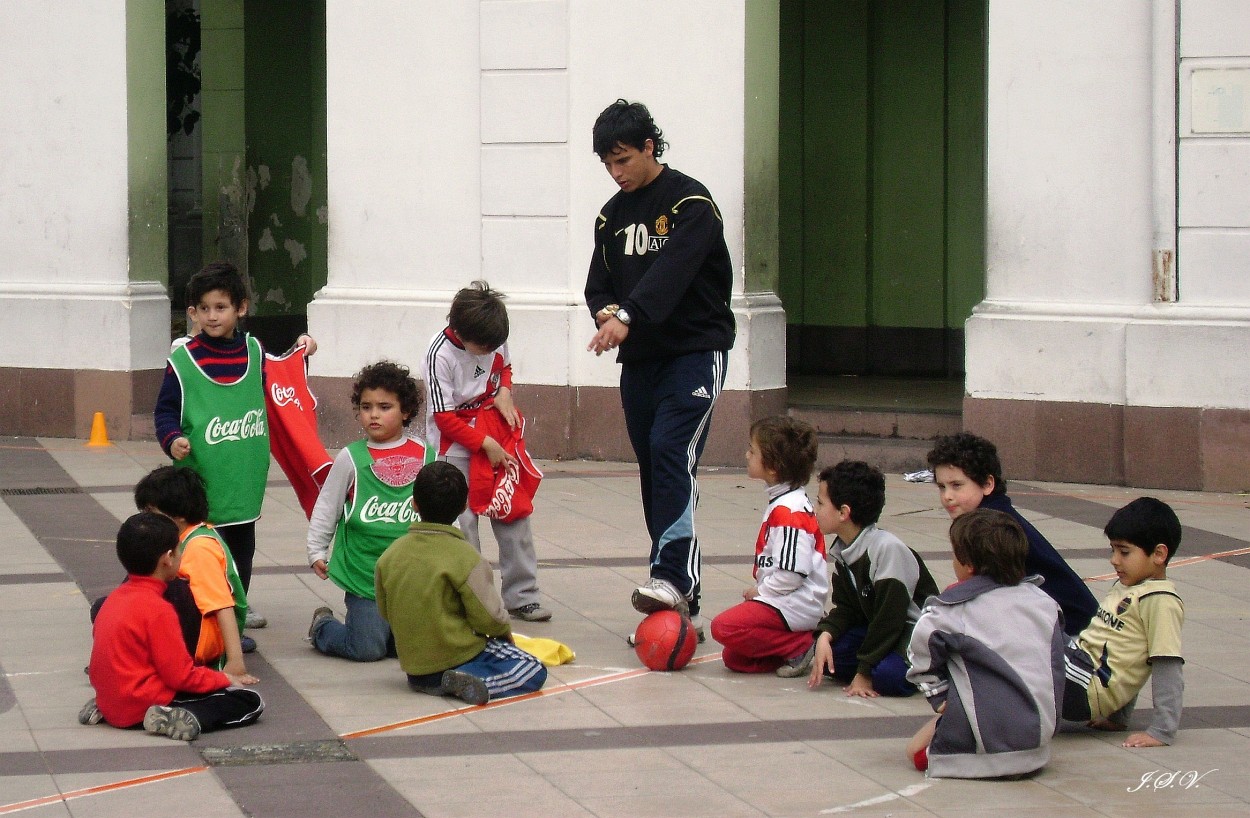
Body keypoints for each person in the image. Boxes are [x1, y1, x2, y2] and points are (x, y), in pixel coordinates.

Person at [583, 99, 735, 639]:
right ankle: (674, 590)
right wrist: (604, 309)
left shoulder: (692, 203)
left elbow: (670, 274)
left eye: (623, 159)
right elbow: (598, 283)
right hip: (641, 362)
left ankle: (673, 575)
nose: (616, 172)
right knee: (654, 464)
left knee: (674, 450)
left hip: (694, 352)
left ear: (650, 146)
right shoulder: (610, 215)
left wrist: (627, 314)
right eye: (607, 163)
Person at [154, 261, 317, 644]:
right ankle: (200, 626)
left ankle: (233, 623)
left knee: (240, 558)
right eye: (204, 308)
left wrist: (304, 349)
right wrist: (172, 438)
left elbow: (285, 374)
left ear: (241, 308)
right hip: (199, 486)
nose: (213, 316)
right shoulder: (182, 361)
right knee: (200, 558)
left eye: (221, 307)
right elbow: (164, 411)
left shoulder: (255, 351)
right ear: (192, 312)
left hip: (244, 481)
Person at [421, 280, 550, 622]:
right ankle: (471, 598)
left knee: (513, 512)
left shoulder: (493, 335)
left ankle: (523, 595)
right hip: (456, 448)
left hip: (496, 432)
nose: (491, 349)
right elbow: (444, 418)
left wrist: (505, 391)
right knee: (463, 526)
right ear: (459, 332)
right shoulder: (439, 355)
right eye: (483, 346)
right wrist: (484, 445)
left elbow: (504, 367)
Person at [906, 508, 1064, 778]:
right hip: (1038, 743)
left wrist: (941, 697)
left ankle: (965, 735)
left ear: (968, 564)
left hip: (985, 749)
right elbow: (1057, 664)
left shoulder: (951, 611)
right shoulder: (1046, 604)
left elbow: (919, 654)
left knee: (914, 751)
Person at [79, 513, 263, 741]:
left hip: (111, 698)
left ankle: (105, 710)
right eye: (179, 552)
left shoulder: (113, 600)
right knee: (248, 701)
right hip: (142, 703)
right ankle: (177, 716)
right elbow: (181, 677)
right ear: (168, 558)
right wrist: (225, 679)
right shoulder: (159, 609)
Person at [375, 461, 547, 705]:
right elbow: (489, 617)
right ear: (464, 505)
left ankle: (440, 681)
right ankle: (474, 680)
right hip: (458, 654)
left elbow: (384, 610)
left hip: (415, 668)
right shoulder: (465, 557)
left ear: (414, 504)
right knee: (531, 667)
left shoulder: (390, 555)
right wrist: (502, 632)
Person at [306, 361, 434, 661]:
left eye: (385, 406)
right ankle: (323, 626)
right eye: (366, 407)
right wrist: (316, 550)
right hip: (364, 576)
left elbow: (443, 512)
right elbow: (327, 506)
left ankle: (386, 631)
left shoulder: (427, 455)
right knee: (367, 650)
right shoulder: (351, 458)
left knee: (412, 649)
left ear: (406, 411)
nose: (373, 414)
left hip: (411, 579)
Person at [927, 432, 1097, 636]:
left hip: (1070, 629)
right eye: (941, 487)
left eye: (957, 485)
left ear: (988, 484)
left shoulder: (991, 529)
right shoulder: (987, 518)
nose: (947, 497)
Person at [803, 461, 939, 695]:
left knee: (888, 678)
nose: (814, 509)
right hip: (877, 628)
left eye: (820, 502)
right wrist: (826, 635)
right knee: (829, 657)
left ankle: (932, 667)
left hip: (913, 632)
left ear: (844, 512)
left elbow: (890, 619)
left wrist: (864, 672)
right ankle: (876, 661)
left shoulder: (887, 549)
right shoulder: (845, 550)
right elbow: (846, 609)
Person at [1062, 497, 1186, 747]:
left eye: (1124, 551)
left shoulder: (1160, 600)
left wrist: (1162, 730)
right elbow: (1125, 655)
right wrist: (1118, 719)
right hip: (1077, 667)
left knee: (1022, 638)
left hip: (1084, 688)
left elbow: (1165, 665)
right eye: (1113, 550)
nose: (1114, 560)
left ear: (1159, 553)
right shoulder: (1128, 586)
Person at [710, 417, 828, 673]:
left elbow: (792, 574)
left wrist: (762, 593)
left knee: (723, 627)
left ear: (773, 467)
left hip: (795, 602)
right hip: (786, 600)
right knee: (735, 658)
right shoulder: (783, 502)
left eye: (753, 451)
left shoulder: (790, 511)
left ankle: (802, 644)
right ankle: (795, 652)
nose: (746, 455)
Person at [134, 466, 255, 681]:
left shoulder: (199, 548)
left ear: (178, 516)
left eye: (152, 513)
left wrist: (235, 662)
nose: (148, 520)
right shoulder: (180, 537)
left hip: (199, 638)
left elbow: (222, 605)